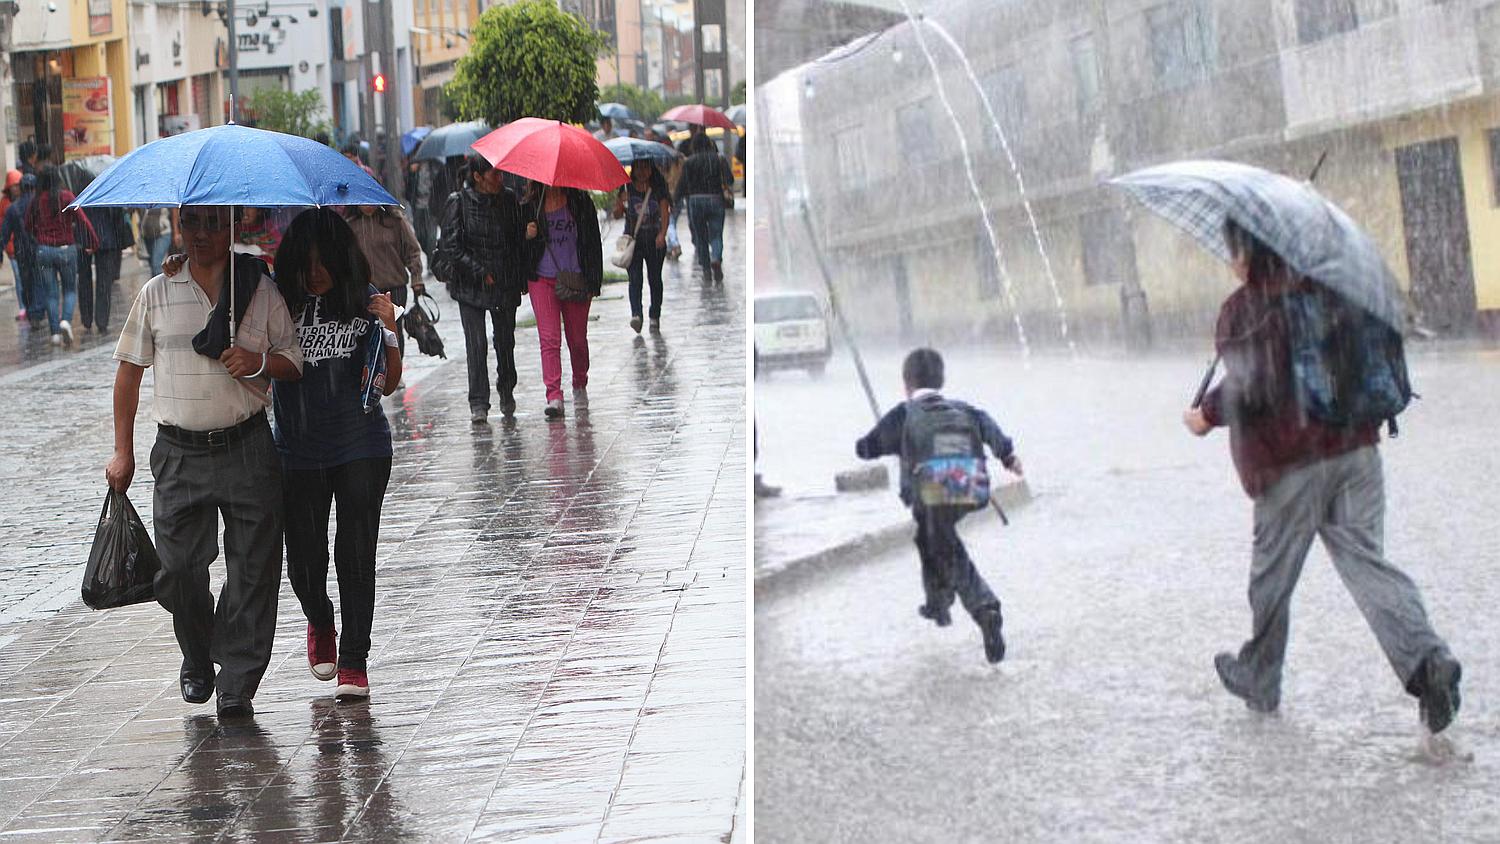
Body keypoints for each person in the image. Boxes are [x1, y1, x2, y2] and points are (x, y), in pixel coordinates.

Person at [1185, 218, 1462, 732]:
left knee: (1271, 580)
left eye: (1232, 250)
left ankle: (1260, 678)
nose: (1230, 260)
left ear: (1246, 252)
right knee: (1367, 566)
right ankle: (1428, 663)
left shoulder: (1246, 308)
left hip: (1290, 463)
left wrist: (1205, 414)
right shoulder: (1337, 290)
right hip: (1357, 452)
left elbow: (1255, 383)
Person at [106, 204, 304, 720]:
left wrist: (257, 361)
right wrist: (122, 449)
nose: (202, 234)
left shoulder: (259, 287)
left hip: (247, 447)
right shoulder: (157, 290)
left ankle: (236, 680)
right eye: (192, 223)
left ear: (233, 227)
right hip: (178, 453)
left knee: (254, 570)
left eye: (215, 223)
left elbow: (294, 361)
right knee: (175, 570)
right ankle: (198, 651)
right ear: (178, 226)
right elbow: (128, 374)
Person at [271, 208, 401, 703]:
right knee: (303, 562)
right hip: (298, 449)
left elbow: (389, 384)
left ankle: (354, 658)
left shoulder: (367, 304)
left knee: (356, 552)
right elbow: (231, 283)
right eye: (305, 263)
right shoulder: (276, 303)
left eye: (324, 261)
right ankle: (320, 617)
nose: (315, 272)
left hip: (360, 445)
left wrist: (390, 329)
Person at [854, 348, 1021, 664]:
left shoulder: (903, 414)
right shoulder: (963, 410)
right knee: (933, 538)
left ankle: (981, 607)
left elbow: (866, 448)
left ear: (906, 383)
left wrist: (873, 444)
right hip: (971, 488)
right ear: (940, 380)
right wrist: (1008, 456)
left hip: (932, 492)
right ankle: (939, 602)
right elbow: (991, 429)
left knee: (939, 540)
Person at [435, 153, 537, 423]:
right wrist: (480, 272)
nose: (499, 179)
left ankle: (507, 390)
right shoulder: (459, 202)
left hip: (504, 283)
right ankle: (478, 402)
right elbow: (451, 247)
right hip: (470, 286)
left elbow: (516, 242)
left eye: (501, 174)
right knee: (476, 344)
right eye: (494, 174)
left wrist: (525, 240)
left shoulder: (509, 200)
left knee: (505, 342)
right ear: (478, 177)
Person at [523, 180, 601, 419]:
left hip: (576, 279)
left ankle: (580, 382)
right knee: (549, 339)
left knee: (577, 340)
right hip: (542, 278)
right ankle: (554, 395)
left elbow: (593, 242)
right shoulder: (531, 206)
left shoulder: (580, 203)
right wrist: (527, 235)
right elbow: (516, 245)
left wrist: (593, 281)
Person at [24, 165, 97, 346]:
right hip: (66, 249)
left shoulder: (36, 200)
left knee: (51, 293)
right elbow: (83, 220)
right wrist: (93, 242)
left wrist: (39, 235)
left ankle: (55, 333)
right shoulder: (67, 197)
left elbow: (27, 225)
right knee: (70, 289)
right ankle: (65, 321)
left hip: (44, 250)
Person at [343, 204, 424, 359]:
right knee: (367, 330)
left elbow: (412, 250)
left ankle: (395, 368)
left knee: (393, 331)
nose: (367, 206)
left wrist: (416, 278)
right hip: (365, 290)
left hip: (394, 287)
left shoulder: (395, 221)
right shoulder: (350, 226)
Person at [612, 158, 670, 333]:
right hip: (633, 243)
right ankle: (636, 314)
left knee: (654, 279)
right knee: (635, 279)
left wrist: (662, 234)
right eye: (638, 168)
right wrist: (620, 205)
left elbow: (665, 212)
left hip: (654, 241)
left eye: (646, 167)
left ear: (651, 169)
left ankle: (655, 315)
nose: (642, 172)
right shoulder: (626, 189)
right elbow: (616, 214)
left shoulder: (658, 190)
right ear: (633, 169)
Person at [674, 135, 732, 282]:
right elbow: (730, 179)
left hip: (695, 201)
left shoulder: (689, 162)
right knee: (716, 234)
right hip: (715, 199)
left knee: (700, 236)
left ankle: (706, 269)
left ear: (694, 146)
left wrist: (674, 200)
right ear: (710, 144)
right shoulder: (719, 159)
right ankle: (716, 258)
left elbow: (682, 185)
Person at [76, 204, 134, 335]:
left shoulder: (79, 186)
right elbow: (117, 212)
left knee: (85, 279)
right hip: (106, 235)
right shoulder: (106, 188)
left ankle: (87, 318)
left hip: (85, 235)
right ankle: (101, 320)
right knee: (104, 281)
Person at [0, 173, 39, 328]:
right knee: (38, 281)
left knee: (25, 281)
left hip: (21, 251)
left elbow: (4, 233)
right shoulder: (38, 204)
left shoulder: (12, 208)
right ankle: (37, 311)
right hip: (37, 248)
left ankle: (31, 310)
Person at [136, 207, 173, 278]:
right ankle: (155, 285)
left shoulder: (164, 198)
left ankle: (159, 286)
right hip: (147, 234)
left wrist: (176, 232)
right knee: (152, 264)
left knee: (156, 263)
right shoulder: (141, 198)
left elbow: (175, 211)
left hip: (163, 233)